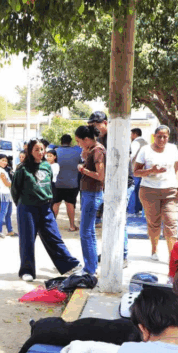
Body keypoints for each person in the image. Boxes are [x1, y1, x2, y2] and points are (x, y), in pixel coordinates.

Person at [11, 138, 81, 282]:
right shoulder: (22, 169)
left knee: (54, 236)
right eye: (36, 149)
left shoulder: (47, 166)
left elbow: (49, 185)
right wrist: (22, 206)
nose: (40, 152)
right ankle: (27, 270)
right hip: (27, 208)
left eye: (42, 149)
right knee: (27, 240)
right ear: (30, 151)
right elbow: (15, 190)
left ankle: (69, 265)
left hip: (45, 208)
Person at [133, 125, 178, 261]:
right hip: (149, 191)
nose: (162, 139)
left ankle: (173, 258)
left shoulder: (173, 149)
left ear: (168, 137)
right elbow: (136, 172)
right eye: (159, 136)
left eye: (165, 136)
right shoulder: (145, 150)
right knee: (154, 223)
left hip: (170, 191)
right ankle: (154, 249)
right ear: (154, 136)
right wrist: (151, 171)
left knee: (171, 223)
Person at [75, 125, 105, 276]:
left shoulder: (98, 151)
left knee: (85, 232)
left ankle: (89, 268)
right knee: (89, 232)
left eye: (79, 141)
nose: (79, 144)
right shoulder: (93, 150)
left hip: (93, 194)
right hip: (90, 194)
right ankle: (91, 266)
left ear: (86, 139)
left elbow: (100, 176)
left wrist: (83, 170)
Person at [51, 134, 80, 232]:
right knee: (70, 204)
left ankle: (51, 226)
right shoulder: (77, 152)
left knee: (55, 204)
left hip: (57, 183)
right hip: (72, 184)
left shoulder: (55, 152)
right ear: (70, 142)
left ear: (61, 141)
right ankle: (72, 226)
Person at [88, 111, 108, 227]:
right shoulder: (99, 139)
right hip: (104, 180)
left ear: (104, 123)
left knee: (117, 217)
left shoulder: (116, 138)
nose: (93, 129)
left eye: (95, 125)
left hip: (121, 182)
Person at [0, 154, 16, 238]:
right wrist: (16, 185)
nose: (4, 162)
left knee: (8, 213)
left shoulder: (2, 170)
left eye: (6, 161)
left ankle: (9, 230)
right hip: (5, 193)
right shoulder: (0, 170)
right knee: (3, 212)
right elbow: (6, 183)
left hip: (8, 193)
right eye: (2, 160)